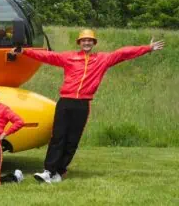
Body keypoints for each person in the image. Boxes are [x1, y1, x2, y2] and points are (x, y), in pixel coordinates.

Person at [11, 29, 165, 183]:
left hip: (82, 104)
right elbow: (47, 56)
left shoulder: (102, 59)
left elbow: (123, 53)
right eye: (83, 40)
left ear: (93, 43)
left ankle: (59, 172)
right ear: (79, 42)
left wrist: (147, 48)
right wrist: (24, 51)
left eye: (89, 40)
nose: (86, 43)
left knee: (72, 140)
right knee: (58, 137)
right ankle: (48, 171)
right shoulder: (69, 57)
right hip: (65, 102)